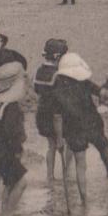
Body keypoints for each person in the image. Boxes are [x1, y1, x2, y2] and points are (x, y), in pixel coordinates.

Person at [52, 53, 108, 205]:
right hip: (93, 123)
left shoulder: (57, 91)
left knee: (81, 165)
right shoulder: (85, 82)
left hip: (74, 129)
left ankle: (84, 201)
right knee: (103, 149)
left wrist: (60, 139)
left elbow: (57, 117)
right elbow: (102, 92)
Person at [0, 61, 28, 214]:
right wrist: (18, 150)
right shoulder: (12, 106)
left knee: (9, 182)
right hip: (7, 150)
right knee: (21, 183)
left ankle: (1, 209)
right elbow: (12, 132)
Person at [33, 38, 69, 182]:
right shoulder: (58, 75)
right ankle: (66, 173)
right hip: (56, 114)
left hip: (41, 113)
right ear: (58, 57)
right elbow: (58, 114)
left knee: (51, 146)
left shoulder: (38, 72)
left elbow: (36, 90)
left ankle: (50, 176)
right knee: (62, 142)